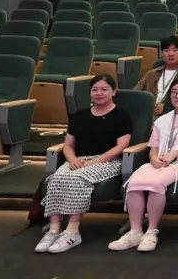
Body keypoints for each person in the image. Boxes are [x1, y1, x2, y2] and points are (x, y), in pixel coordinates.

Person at [111, 77, 178, 252]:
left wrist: (175, 154)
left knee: (155, 183)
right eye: (174, 92)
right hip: (160, 162)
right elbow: (153, 147)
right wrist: (153, 158)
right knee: (134, 182)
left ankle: (151, 232)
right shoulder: (162, 120)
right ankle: (135, 231)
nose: (177, 96)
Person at [35, 75, 133, 254]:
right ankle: (54, 230)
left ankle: (72, 232)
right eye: (95, 90)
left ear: (114, 92)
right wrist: (72, 159)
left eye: (104, 89)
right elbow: (68, 145)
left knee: (78, 178)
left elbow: (121, 147)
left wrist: (93, 162)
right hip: (79, 160)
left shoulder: (121, 116)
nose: (99, 93)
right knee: (56, 178)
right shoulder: (79, 116)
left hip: (108, 161)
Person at [135, 36, 178, 114]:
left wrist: (167, 107)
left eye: (175, 50)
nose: (170, 54)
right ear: (162, 53)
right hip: (148, 114)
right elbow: (136, 94)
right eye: (166, 50)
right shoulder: (152, 73)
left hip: (177, 115)